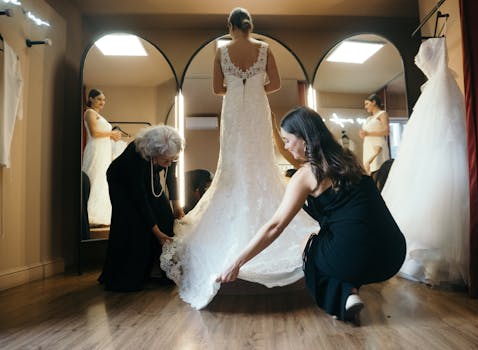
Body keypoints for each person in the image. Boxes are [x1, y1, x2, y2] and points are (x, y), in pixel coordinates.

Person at [160, 7, 319, 309]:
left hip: (233, 108)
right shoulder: (265, 48)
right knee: (261, 161)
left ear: (229, 26)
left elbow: (217, 88)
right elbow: (275, 85)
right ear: (250, 26)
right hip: (258, 108)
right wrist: (254, 83)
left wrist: (237, 85)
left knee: (232, 164)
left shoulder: (221, 52)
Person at [216, 106, 406, 324]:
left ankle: (343, 295)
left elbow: (275, 226)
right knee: (336, 242)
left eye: (287, 140)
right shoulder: (352, 162)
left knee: (308, 244)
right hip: (392, 253)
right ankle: (348, 292)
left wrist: (237, 263)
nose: (286, 147)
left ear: (304, 139)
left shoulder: (308, 174)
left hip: (357, 256)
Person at [381, 37, 469, 286]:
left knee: (439, 197)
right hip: (443, 149)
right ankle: (435, 263)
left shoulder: (438, 93)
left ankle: (437, 264)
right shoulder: (444, 91)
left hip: (442, 151)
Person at [98, 125, 184, 292]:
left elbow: (171, 179)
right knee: (134, 222)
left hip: (146, 177)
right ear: (154, 153)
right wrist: (157, 232)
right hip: (122, 182)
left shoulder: (170, 151)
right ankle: (126, 276)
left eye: (172, 160)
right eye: (166, 161)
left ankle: (162, 271)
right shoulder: (135, 154)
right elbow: (140, 198)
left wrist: (176, 207)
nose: (168, 165)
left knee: (165, 216)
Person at [81, 89, 121, 226]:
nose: (102, 102)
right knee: (94, 178)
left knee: (102, 180)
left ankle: (100, 215)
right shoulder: (89, 112)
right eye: (99, 99)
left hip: (103, 151)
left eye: (104, 100)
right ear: (91, 99)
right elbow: (94, 133)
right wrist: (111, 134)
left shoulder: (98, 115)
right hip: (95, 150)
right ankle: (90, 215)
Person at [359, 94, 390, 175]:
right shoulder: (368, 118)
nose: (365, 107)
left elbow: (386, 131)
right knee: (369, 171)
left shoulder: (382, 114)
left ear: (374, 102)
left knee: (379, 172)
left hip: (377, 147)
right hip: (368, 146)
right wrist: (363, 134)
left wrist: (368, 133)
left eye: (367, 104)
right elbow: (365, 134)